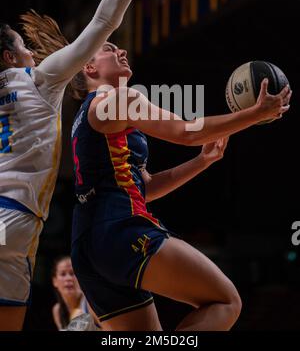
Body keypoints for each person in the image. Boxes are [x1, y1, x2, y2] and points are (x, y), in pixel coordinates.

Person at [0, 0, 186, 331]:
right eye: (23, 47)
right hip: (19, 223)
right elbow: (104, 20)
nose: (33, 51)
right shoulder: (39, 78)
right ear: (11, 57)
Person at [69, 41, 291, 331]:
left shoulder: (85, 117)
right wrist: (253, 115)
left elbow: (143, 188)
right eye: (110, 49)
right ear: (89, 66)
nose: (122, 51)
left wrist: (201, 162)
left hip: (87, 246)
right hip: (120, 229)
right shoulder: (119, 99)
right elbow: (186, 131)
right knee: (226, 301)